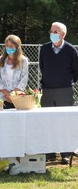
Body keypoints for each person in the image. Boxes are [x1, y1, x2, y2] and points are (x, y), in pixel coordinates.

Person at [39, 21, 78, 165]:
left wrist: (67, 82)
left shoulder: (70, 50)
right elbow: (42, 67)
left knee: (64, 122)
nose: (52, 34)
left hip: (65, 91)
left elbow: (76, 70)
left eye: (55, 32)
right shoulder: (44, 49)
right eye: (51, 31)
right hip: (47, 90)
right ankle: (49, 153)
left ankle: (65, 154)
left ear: (63, 34)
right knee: (48, 122)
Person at [0, 34, 29, 109]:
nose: (8, 48)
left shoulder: (23, 61)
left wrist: (13, 94)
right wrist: (7, 94)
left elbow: (24, 79)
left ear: (17, 47)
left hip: (18, 98)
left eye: (11, 46)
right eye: (7, 45)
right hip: (3, 98)